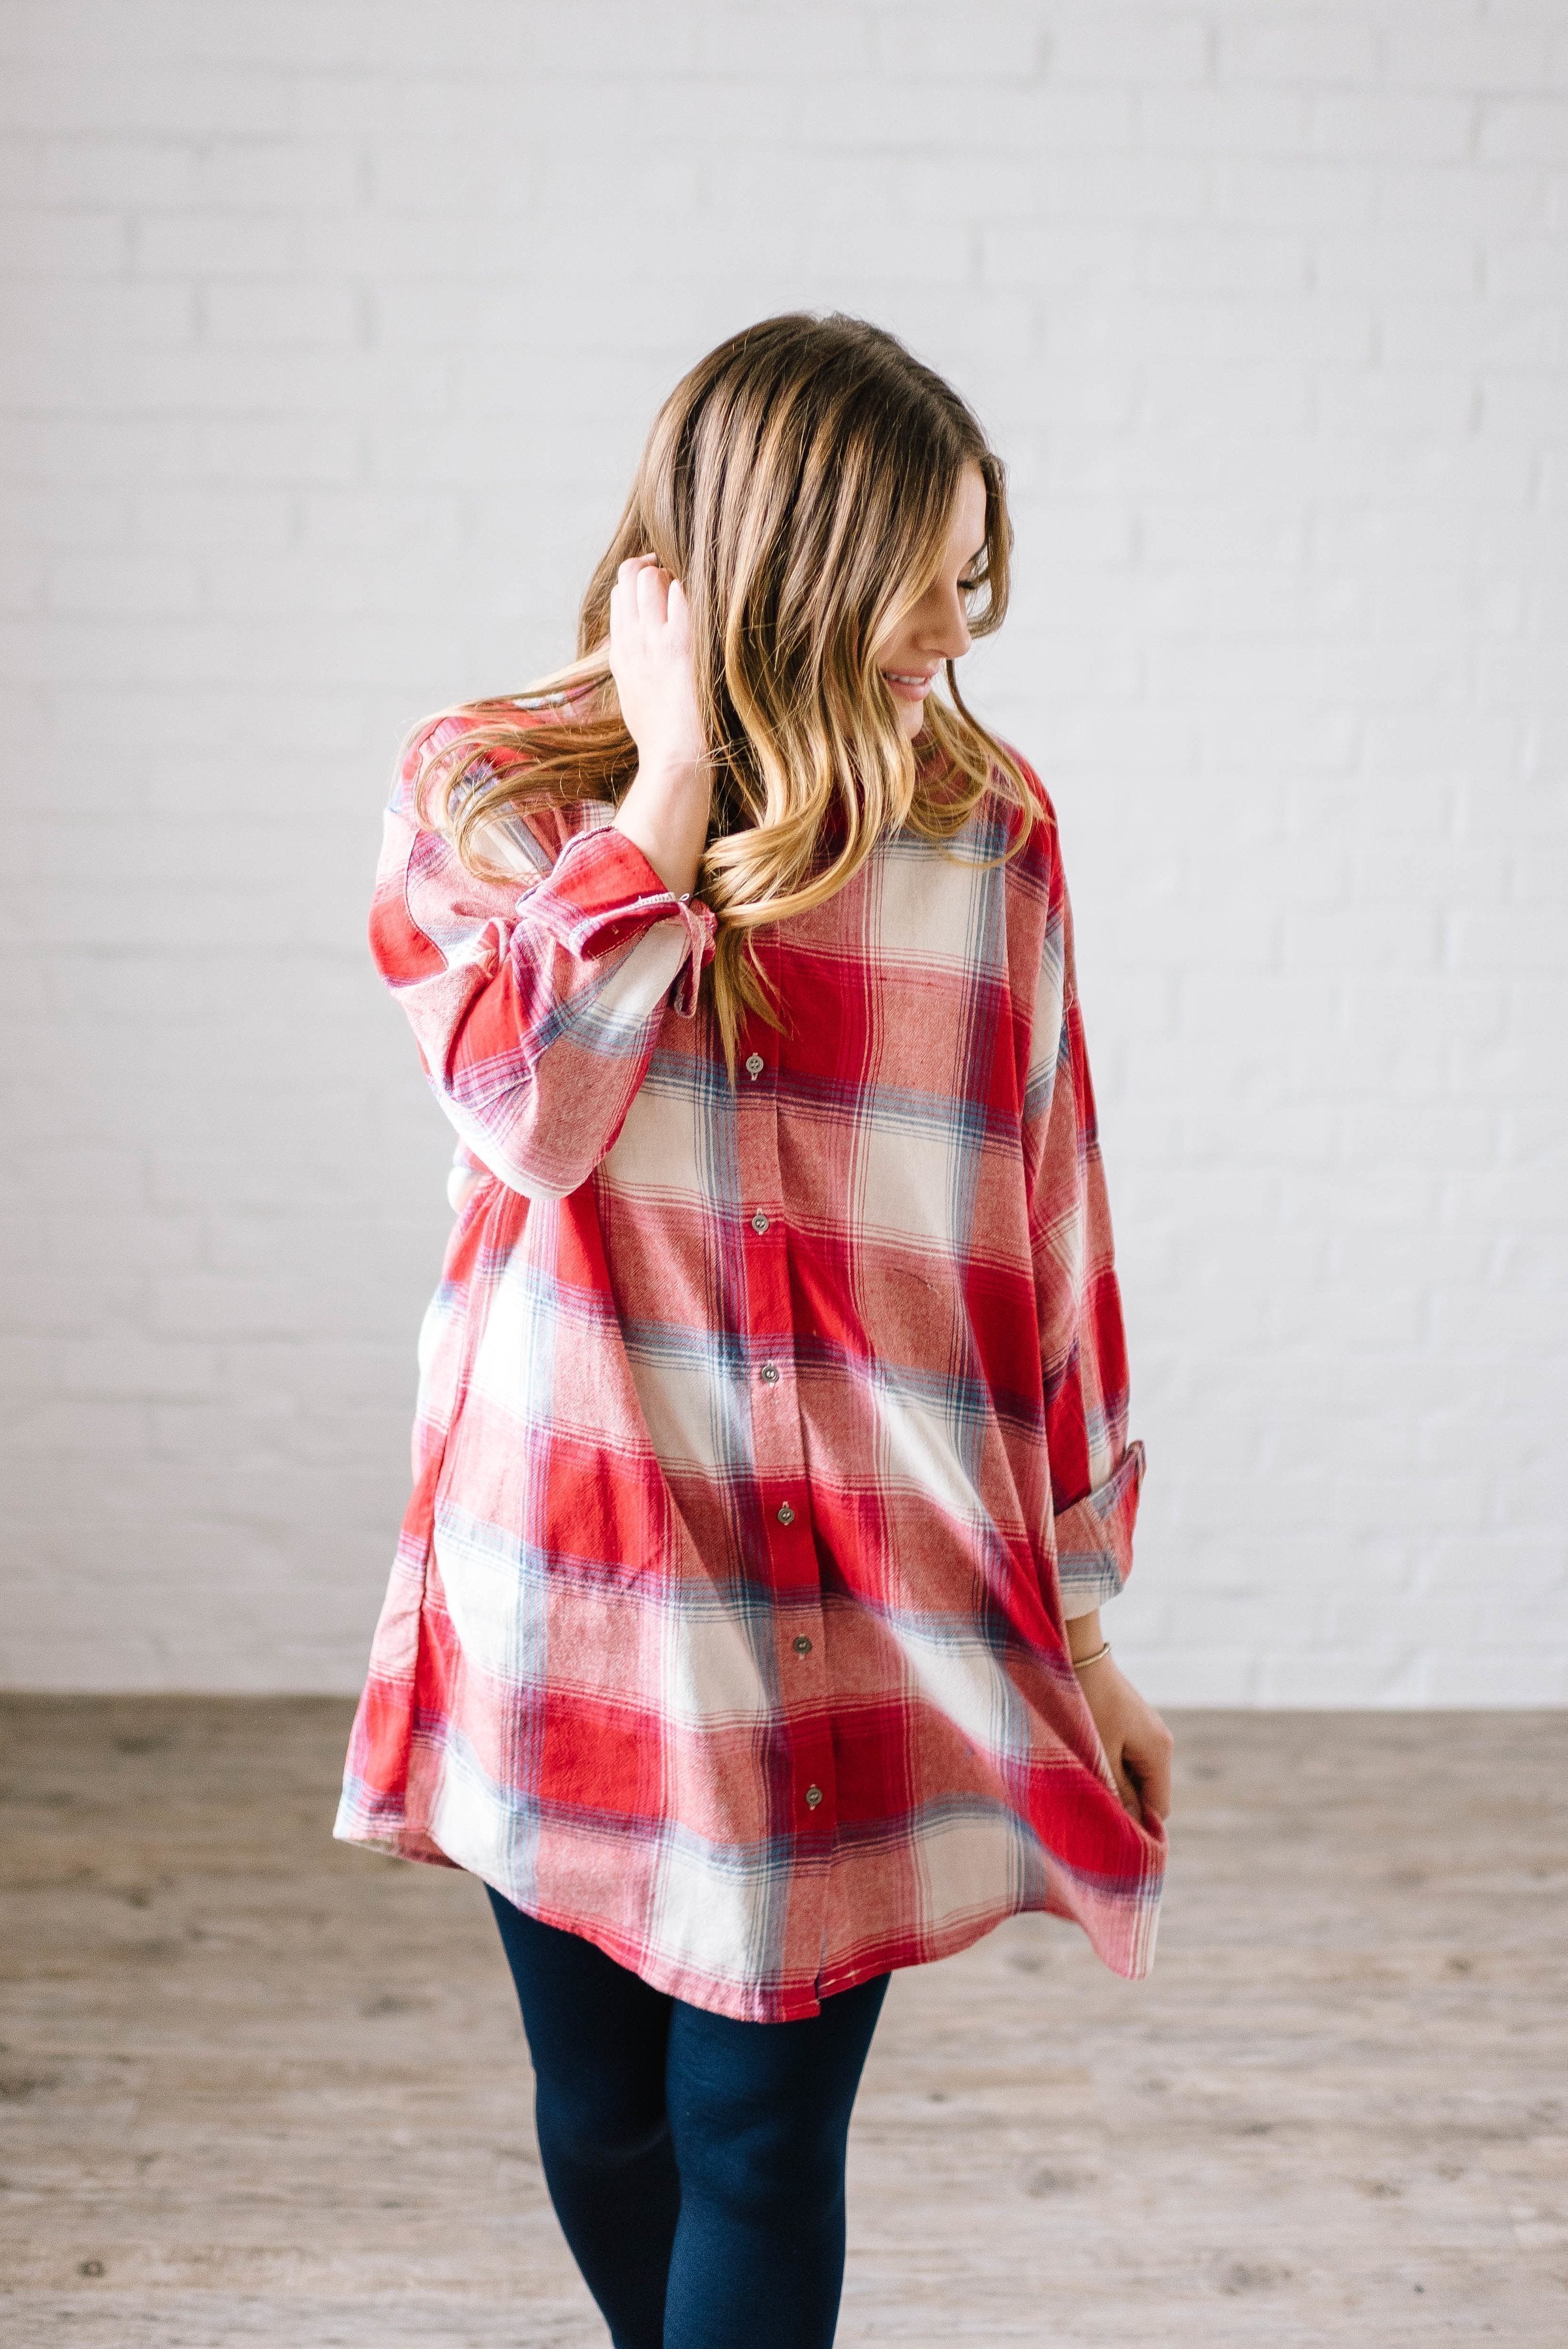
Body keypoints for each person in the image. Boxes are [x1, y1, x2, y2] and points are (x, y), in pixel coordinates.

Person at [335, 313, 1173, 2349]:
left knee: (768, 2135)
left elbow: (1044, 1225)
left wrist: (1079, 1622)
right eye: (920, 569)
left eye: (970, 570)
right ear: (792, 548)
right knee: (603, 2107)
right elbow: (530, 1114)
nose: (946, 623)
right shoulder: (498, 794)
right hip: (584, 1580)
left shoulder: (984, 824)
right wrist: (677, 777)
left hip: (875, 1591)